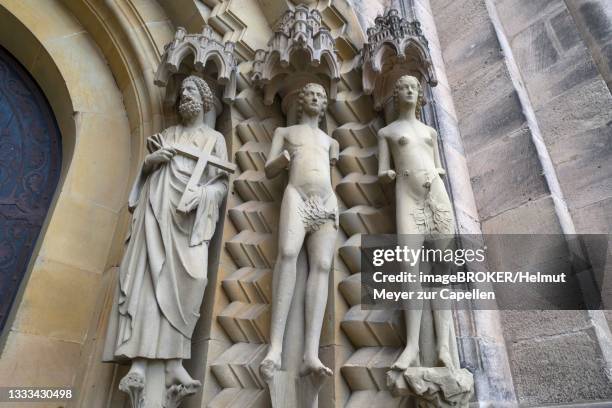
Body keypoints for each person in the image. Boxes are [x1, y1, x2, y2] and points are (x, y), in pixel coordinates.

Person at [103, 76, 229, 391]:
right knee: (149, 283)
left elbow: (221, 183)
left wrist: (202, 197)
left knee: (196, 280)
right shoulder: (168, 134)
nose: (183, 95)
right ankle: (140, 362)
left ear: (204, 100)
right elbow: (146, 175)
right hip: (156, 216)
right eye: (182, 90)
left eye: (190, 90)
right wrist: (150, 162)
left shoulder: (215, 140)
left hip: (190, 221)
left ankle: (175, 362)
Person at [377, 75, 457, 371]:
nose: (409, 91)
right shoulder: (387, 132)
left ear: (419, 94)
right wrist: (386, 176)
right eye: (403, 87)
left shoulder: (430, 132)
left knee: (442, 272)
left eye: (413, 87)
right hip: (407, 198)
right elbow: (384, 170)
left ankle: (444, 347)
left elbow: (437, 166)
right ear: (396, 94)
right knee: (410, 270)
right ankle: (412, 346)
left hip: (436, 196)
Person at [259, 83, 339, 380]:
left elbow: (330, 170)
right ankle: (276, 348)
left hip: (327, 201)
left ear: (324, 105)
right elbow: (269, 168)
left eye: (321, 96)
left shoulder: (330, 141)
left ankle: (310, 353)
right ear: (302, 101)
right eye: (312, 95)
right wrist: (281, 160)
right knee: (288, 254)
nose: (317, 99)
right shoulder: (286, 133)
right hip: (296, 196)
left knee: (321, 266)